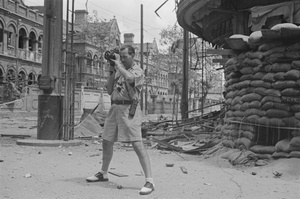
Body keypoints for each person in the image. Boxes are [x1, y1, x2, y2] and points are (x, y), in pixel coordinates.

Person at [86, 45, 154, 195]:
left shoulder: (138, 71)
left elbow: (130, 79)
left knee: (137, 144)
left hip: (129, 110)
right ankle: (103, 172)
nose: (122, 59)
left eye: (125, 57)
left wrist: (118, 65)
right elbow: (109, 90)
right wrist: (112, 69)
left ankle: (149, 180)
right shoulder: (118, 70)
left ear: (133, 56)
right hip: (114, 108)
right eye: (120, 57)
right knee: (106, 140)